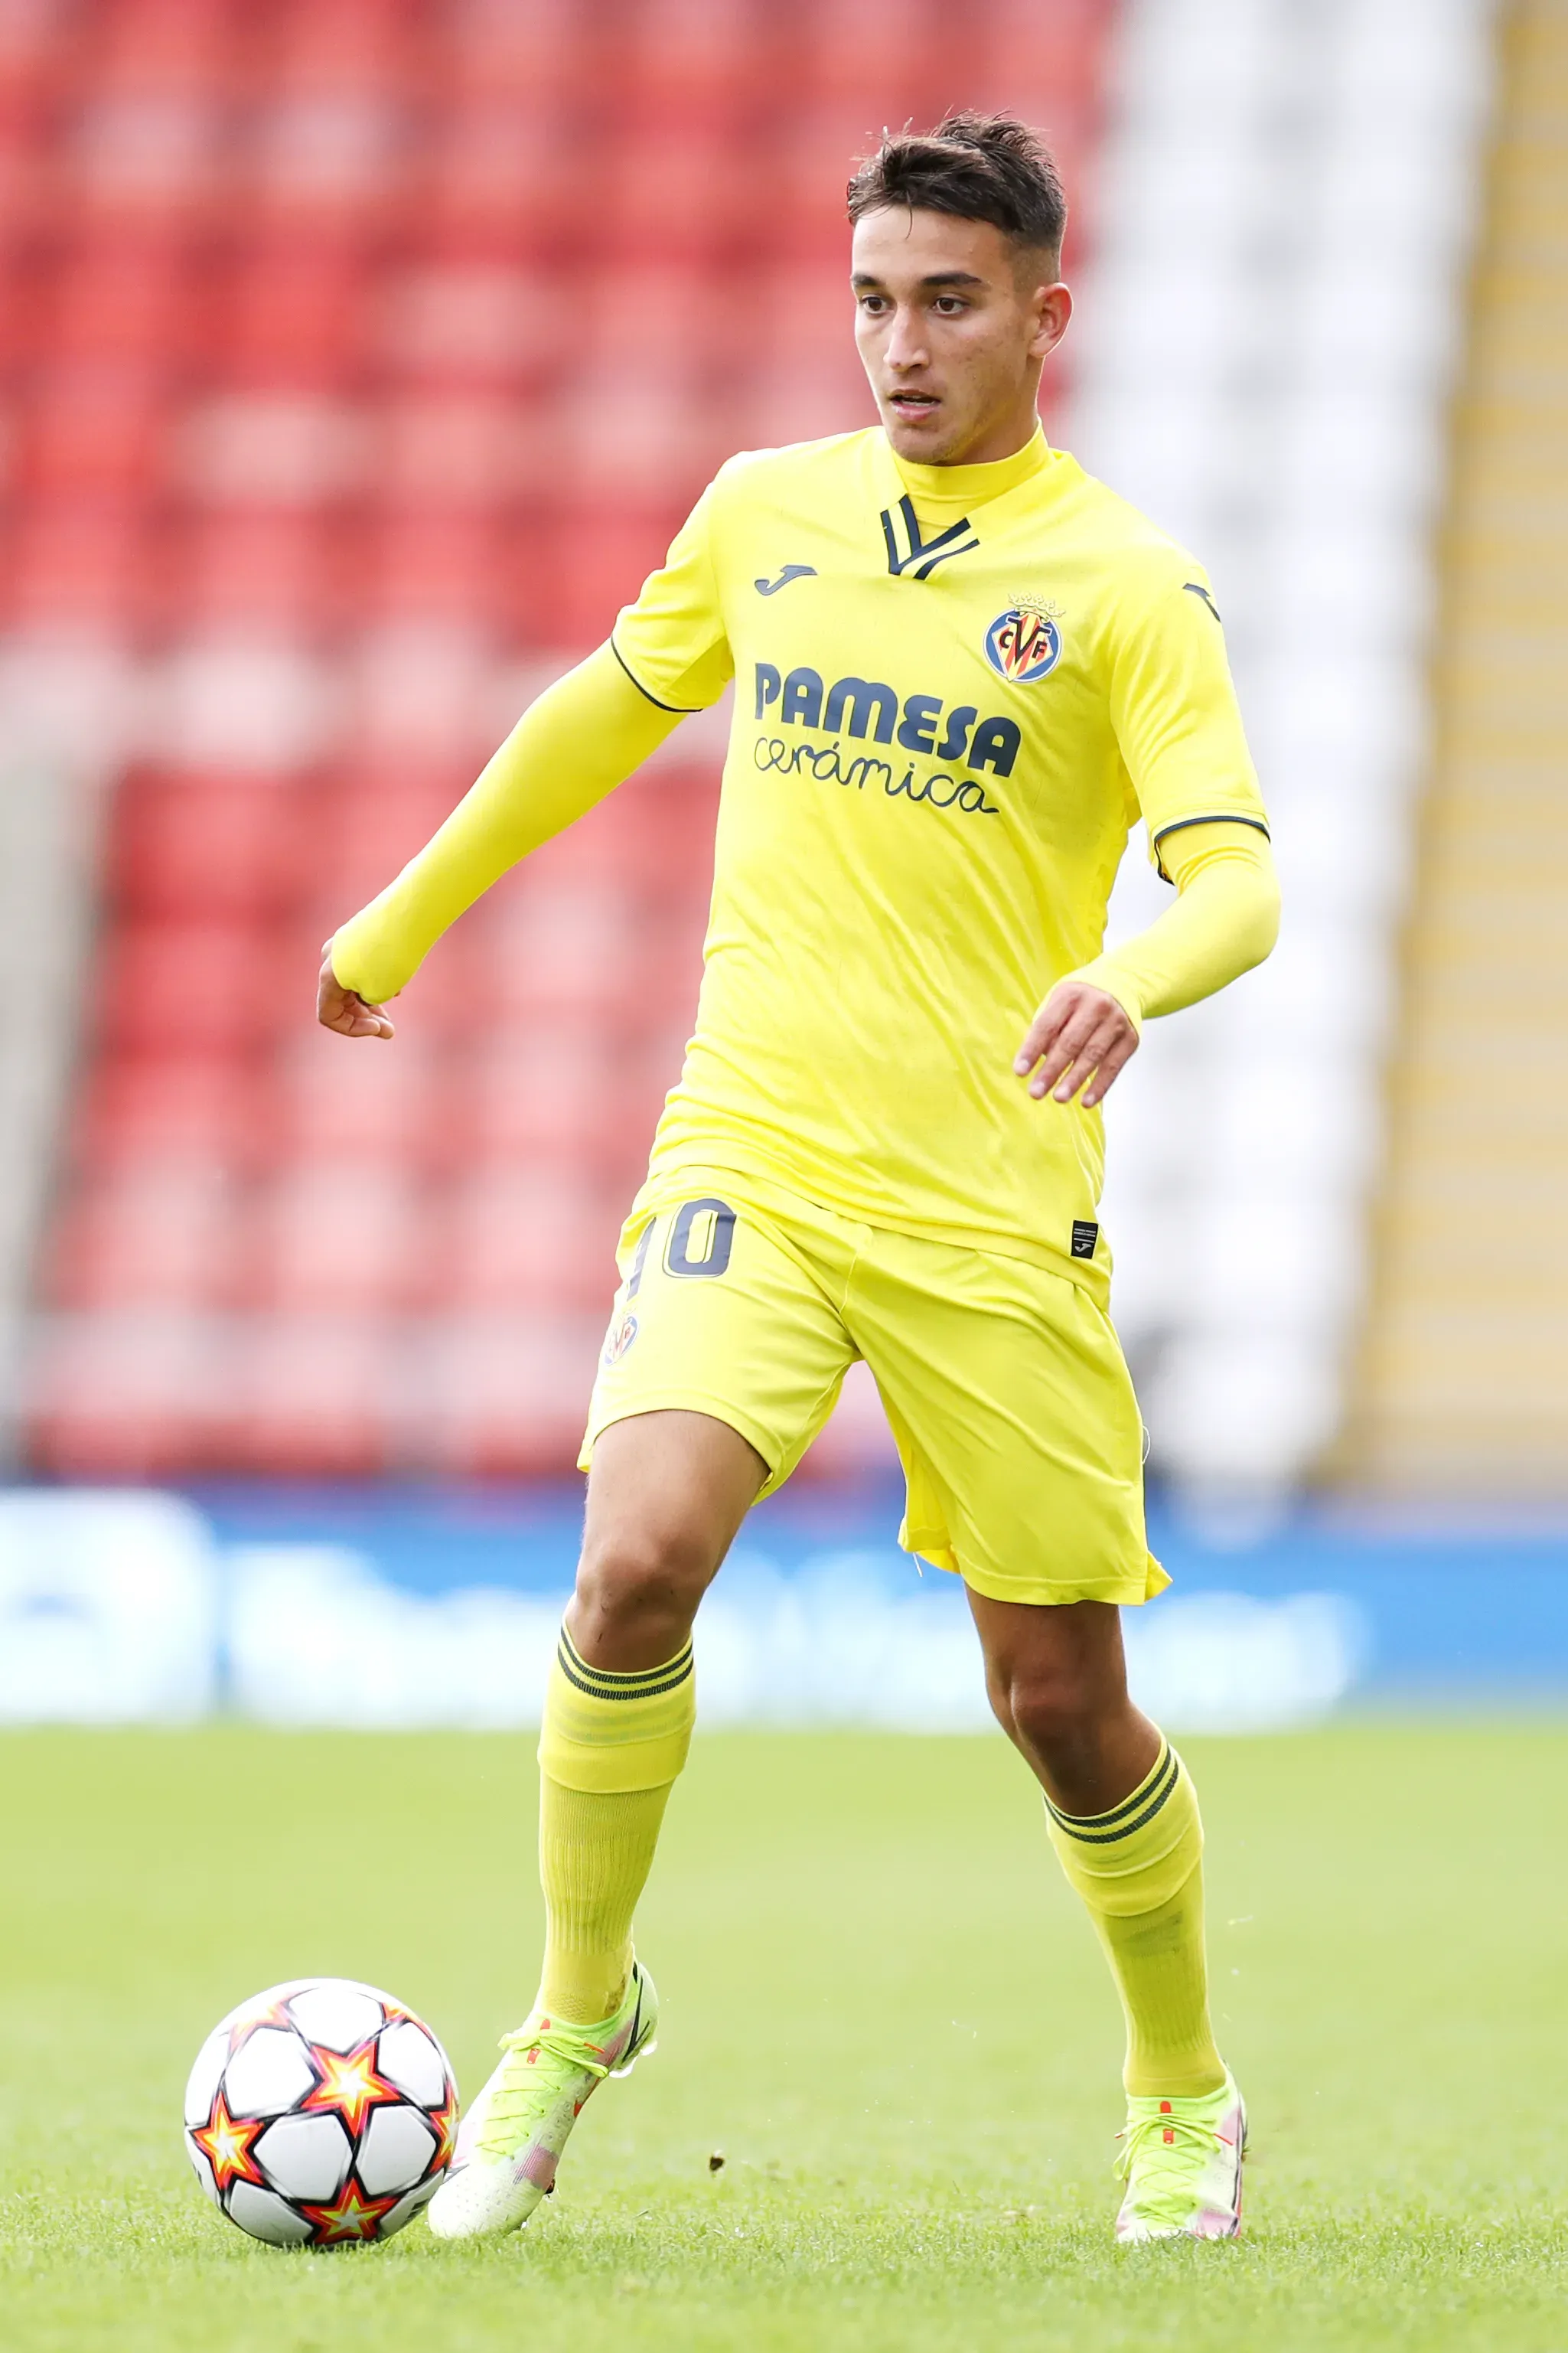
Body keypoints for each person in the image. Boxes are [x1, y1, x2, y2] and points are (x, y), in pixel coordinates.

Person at [320, 113, 1280, 2245]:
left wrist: (1134, 973)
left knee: (1060, 1700)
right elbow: (601, 705)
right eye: (871, 299)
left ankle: (1183, 2089)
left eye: (946, 302)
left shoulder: (1125, 589)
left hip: (988, 1205)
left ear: (1048, 315)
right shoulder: (767, 514)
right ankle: (572, 2019)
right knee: (633, 1561)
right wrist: (401, 916)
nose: (899, 344)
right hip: (750, 1143)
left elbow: (1240, 875)